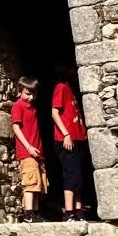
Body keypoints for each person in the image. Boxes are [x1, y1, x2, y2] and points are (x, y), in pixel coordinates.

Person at [51, 75, 89, 222]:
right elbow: (54, 112)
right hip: (66, 139)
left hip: (77, 138)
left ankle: (78, 211)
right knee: (71, 174)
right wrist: (66, 134)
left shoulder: (71, 90)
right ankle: (69, 212)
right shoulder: (61, 87)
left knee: (78, 175)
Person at [10, 77, 46, 221]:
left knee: (38, 183)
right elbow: (16, 127)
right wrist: (29, 147)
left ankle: (35, 212)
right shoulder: (18, 106)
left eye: (34, 94)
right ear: (20, 91)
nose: (31, 97)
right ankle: (29, 214)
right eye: (28, 94)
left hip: (37, 152)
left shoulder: (33, 109)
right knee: (30, 183)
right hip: (27, 152)